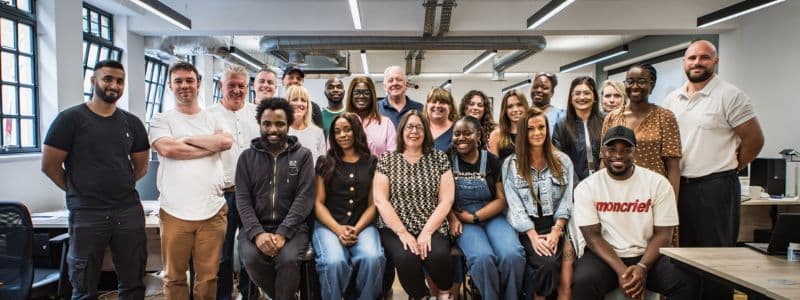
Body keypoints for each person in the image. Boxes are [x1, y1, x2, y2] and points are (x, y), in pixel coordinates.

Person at [663, 39, 764, 300]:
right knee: (682, 257)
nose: (697, 62)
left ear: (715, 61)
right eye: (692, 58)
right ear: (684, 62)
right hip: (679, 188)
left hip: (716, 188)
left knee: (717, 260)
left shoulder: (730, 95)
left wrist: (729, 167)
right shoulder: (672, 99)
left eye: (704, 57)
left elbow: (754, 141)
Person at [42, 60, 149, 300]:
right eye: (108, 79)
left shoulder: (131, 123)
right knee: (83, 286)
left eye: (119, 81)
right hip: (87, 213)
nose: (114, 85)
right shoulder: (69, 119)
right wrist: (77, 191)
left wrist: (119, 186)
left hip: (127, 211)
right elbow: (49, 165)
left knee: (133, 284)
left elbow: (141, 167)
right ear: (93, 81)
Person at [571, 125, 698, 299]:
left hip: (649, 257)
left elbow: (664, 235)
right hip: (605, 259)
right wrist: (622, 271)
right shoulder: (587, 187)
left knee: (685, 279)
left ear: (635, 152)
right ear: (602, 152)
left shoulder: (658, 183)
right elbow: (592, 237)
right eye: (611, 149)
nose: (618, 155)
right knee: (583, 280)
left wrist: (643, 267)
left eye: (626, 150)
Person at [150, 61, 233, 300]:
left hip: (212, 211)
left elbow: (225, 142)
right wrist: (209, 146)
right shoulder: (161, 119)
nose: (184, 86)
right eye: (178, 81)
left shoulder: (214, 117)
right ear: (169, 85)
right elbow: (167, 149)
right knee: (174, 278)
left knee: (208, 278)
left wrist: (184, 139)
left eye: (189, 80)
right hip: (175, 212)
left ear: (198, 84)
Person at [236, 98, 316, 300]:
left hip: (294, 228)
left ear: (288, 125)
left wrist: (283, 232)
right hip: (255, 227)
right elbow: (243, 200)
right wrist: (257, 233)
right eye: (267, 123)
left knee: (288, 260)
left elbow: (304, 197)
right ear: (260, 125)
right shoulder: (246, 158)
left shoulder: (303, 156)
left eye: (279, 124)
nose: (273, 129)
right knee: (251, 259)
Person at [373, 110, 455, 299]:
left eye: (419, 127)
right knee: (406, 258)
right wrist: (403, 233)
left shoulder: (439, 158)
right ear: (401, 131)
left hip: (431, 223)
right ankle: (420, 296)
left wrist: (426, 232)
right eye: (410, 126)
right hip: (394, 226)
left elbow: (446, 199)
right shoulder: (388, 159)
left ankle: (444, 292)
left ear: (426, 131)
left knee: (438, 256)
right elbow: (380, 199)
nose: (414, 131)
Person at [448, 116, 525, 300]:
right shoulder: (446, 159)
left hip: (491, 214)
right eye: (457, 133)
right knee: (482, 258)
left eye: (468, 133)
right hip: (462, 218)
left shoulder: (492, 161)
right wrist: (453, 218)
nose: (461, 138)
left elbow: (501, 199)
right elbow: (441, 198)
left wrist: (475, 217)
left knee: (512, 254)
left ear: (479, 136)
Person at [503, 108, 575, 299]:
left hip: (557, 226)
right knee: (548, 264)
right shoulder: (511, 164)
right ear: (522, 132)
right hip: (527, 229)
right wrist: (533, 236)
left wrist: (556, 231)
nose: (537, 133)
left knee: (560, 271)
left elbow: (567, 199)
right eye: (530, 128)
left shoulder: (563, 161)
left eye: (541, 127)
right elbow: (514, 204)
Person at [312, 113, 385, 300]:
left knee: (372, 258)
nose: (342, 135)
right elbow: (318, 203)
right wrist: (338, 230)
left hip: (362, 224)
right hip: (329, 225)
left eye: (347, 129)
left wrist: (356, 229)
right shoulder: (324, 162)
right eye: (337, 131)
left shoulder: (371, 163)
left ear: (357, 131)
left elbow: (373, 204)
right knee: (334, 262)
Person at [207, 64, 260, 300]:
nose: (237, 90)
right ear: (221, 85)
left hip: (253, 194)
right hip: (222, 194)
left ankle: (249, 294)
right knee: (223, 254)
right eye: (232, 85)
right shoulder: (208, 116)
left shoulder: (257, 114)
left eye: (242, 86)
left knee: (250, 251)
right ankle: (224, 296)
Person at [601, 64, 681, 195]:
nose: (635, 86)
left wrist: (672, 204)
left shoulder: (665, 117)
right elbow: (604, 161)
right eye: (630, 81)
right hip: (617, 192)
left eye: (641, 81)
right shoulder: (612, 117)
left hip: (653, 191)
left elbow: (673, 167)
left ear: (652, 85)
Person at [552, 76, 605, 181]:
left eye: (586, 93)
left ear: (594, 97)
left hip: (604, 181)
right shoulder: (562, 125)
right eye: (577, 93)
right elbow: (560, 159)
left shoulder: (606, 120)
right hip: (574, 184)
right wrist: (577, 184)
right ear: (571, 99)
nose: (582, 97)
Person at [345, 76, 396, 158]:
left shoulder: (386, 124)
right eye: (357, 93)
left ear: (372, 96)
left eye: (366, 93)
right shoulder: (341, 123)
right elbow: (333, 156)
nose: (361, 96)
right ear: (351, 96)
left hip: (379, 170)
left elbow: (393, 157)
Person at [286, 85, 327, 164]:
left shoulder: (317, 132)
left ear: (308, 105)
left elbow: (322, 165)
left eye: (303, 100)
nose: (299, 103)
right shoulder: (281, 132)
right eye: (294, 99)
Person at [488, 89, 530, 162]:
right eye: (510, 106)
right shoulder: (496, 135)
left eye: (519, 105)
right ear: (505, 110)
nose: (515, 109)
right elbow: (493, 168)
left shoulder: (533, 132)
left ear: (525, 107)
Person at [425, 87, 457, 151]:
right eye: (433, 102)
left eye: (442, 102)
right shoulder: (420, 128)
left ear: (450, 107)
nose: (437, 106)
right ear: (427, 105)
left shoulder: (457, 130)